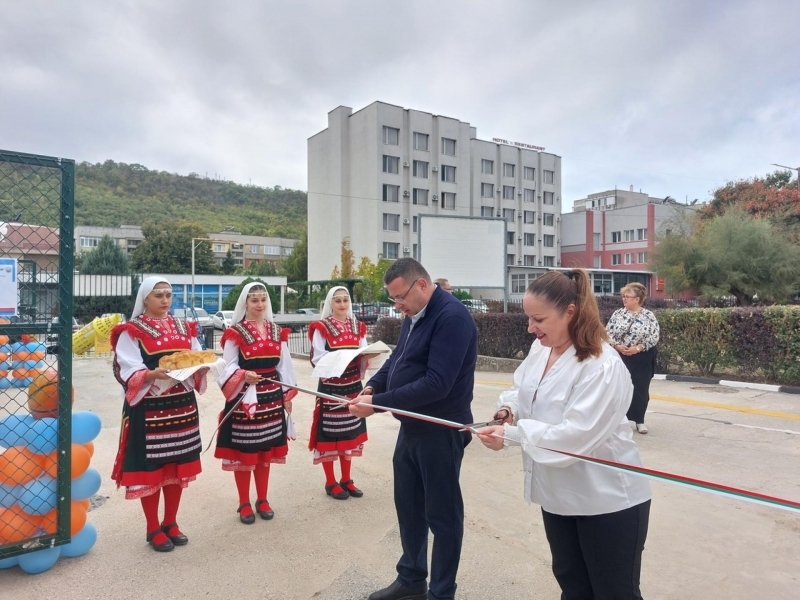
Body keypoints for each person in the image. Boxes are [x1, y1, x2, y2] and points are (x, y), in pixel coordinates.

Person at [477, 270, 652, 600]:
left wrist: (511, 434)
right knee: (573, 588)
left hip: (607, 502)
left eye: (538, 319)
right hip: (558, 497)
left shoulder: (601, 365)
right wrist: (508, 412)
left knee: (614, 594)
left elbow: (574, 439)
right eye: (528, 318)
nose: (531, 327)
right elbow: (523, 389)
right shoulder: (541, 349)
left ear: (570, 312)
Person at [350, 258, 478, 600]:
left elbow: (437, 384)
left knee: (443, 515)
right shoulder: (414, 315)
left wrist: (378, 405)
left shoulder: (451, 317)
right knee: (408, 505)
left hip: (440, 429)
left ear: (421, 284)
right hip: (412, 427)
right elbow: (397, 360)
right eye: (393, 299)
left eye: (400, 297)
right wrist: (372, 388)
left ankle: (441, 592)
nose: (397, 305)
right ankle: (411, 579)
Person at [110, 277, 207, 552]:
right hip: (149, 408)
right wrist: (151, 374)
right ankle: (153, 527)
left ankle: (171, 522)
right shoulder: (131, 331)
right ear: (145, 299)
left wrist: (203, 366)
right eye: (158, 295)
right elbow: (125, 367)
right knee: (151, 469)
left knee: (177, 465)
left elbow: (196, 355)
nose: (165, 300)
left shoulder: (182, 326)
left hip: (182, 406)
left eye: (168, 294)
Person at [215, 282, 297, 524]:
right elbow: (226, 366)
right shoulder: (235, 333)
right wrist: (242, 375)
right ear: (245, 304)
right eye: (254, 300)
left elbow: (285, 366)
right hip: (245, 397)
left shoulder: (276, 331)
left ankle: (263, 498)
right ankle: (243, 502)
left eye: (263, 300)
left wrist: (287, 396)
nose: (260, 304)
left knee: (264, 450)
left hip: (271, 397)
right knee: (245, 452)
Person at [307, 286, 372, 500]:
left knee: (349, 433)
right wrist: (341, 359)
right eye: (338, 301)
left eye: (345, 300)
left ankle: (346, 478)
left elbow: (363, 350)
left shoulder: (358, 326)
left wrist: (364, 358)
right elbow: (317, 357)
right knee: (330, 434)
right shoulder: (321, 327)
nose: (342, 304)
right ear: (330, 303)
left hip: (353, 386)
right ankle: (330, 481)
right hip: (332, 387)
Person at [606, 282, 660, 434]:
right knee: (619, 389)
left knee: (641, 389)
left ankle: (639, 420)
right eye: (623, 296)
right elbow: (606, 333)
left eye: (627, 297)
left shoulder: (648, 315)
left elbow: (654, 336)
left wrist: (638, 348)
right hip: (620, 356)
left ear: (637, 299)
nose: (624, 299)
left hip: (642, 357)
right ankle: (618, 420)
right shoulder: (618, 314)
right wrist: (616, 345)